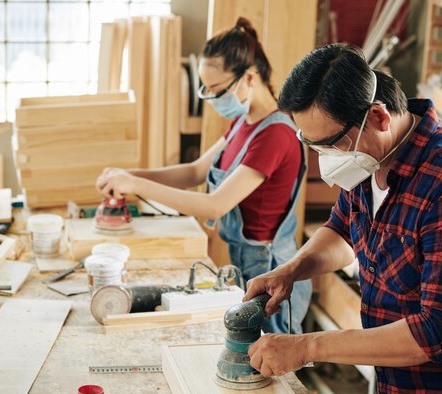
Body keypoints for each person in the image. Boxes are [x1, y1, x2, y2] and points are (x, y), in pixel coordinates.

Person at [244, 44, 442, 394]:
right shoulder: (368, 157)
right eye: (311, 144)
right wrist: (291, 270)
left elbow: (441, 332)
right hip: (400, 384)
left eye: (330, 143)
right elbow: (343, 232)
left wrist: (308, 347)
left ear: (378, 116)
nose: (325, 158)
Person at [95, 17, 311, 334]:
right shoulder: (244, 122)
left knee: (270, 365)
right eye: (206, 89)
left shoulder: (275, 134)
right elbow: (195, 170)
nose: (212, 98)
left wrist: (137, 185)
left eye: (217, 89)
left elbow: (215, 206)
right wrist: (129, 174)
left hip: (271, 271)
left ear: (249, 78)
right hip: (247, 261)